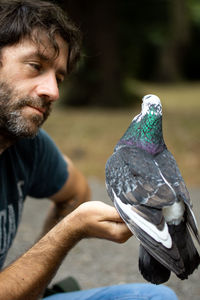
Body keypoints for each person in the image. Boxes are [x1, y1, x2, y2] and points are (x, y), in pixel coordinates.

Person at [0, 0, 178, 299]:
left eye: (59, 78)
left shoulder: (29, 145)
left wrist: (32, 282)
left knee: (155, 297)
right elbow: (73, 220)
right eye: (36, 66)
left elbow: (75, 193)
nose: (53, 92)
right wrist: (67, 232)